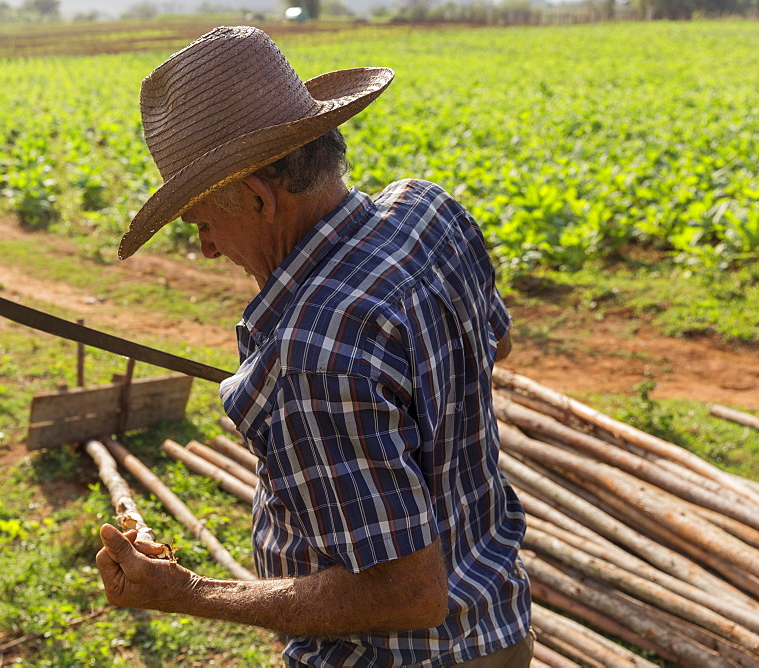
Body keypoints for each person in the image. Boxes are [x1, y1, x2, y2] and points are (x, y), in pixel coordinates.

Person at [97, 26, 532, 667]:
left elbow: (411, 595)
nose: (207, 247)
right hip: (502, 633)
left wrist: (187, 592)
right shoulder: (429, 213)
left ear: (257, 198)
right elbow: (497, 346)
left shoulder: (307, 354)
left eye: (204, 222)